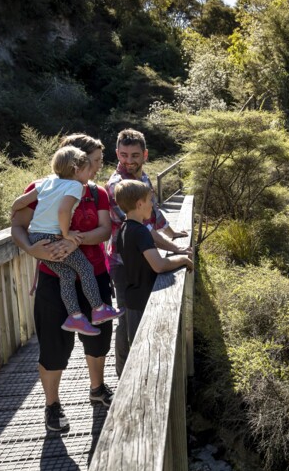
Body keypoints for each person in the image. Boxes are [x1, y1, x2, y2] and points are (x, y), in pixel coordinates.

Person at [10, 134, 116, 432]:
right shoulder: (42, 187)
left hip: (94, 275)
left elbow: (105, 230)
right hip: (52, 279)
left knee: (98, 338)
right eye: (94, 162)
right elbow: (17, 225)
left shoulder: (98, 193)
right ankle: (52, 405)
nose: (97, 168)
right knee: (54, 345)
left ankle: (97, 389)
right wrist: (32, 249)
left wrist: (75, 242)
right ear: (75, 163)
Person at [11, 146, 123, 336]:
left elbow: (22, 200)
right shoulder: (75, 185)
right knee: (85, 268)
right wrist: (67, 233)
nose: (92, 173)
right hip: (52, 237)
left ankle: (75, 317)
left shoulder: (48, 181)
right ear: (76, 170)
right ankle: (98, 309)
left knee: (67, 275)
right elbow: (64, 211)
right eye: (89, 168)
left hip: (36, 237)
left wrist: (13, 208)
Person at [106, 128, 191, 377]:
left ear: (145, 154)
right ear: (117, 154)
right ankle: (123, 375)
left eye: (134, 155)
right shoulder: (117, 186)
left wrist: (173, 233)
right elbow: (141, 228)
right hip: (124, 263)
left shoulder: (143, 180)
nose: (129, 161)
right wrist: (175, 249)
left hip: (145, 257)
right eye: (123, 155)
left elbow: (154, 214)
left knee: (145, 314)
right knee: (125, 320)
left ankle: (146, 369)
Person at [113, 180, 193, 354]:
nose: (152, 205)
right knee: (146, 350)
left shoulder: (124, 229)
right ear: (139, 204)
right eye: (150, 200)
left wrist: (176, 250)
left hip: (133, 298)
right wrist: (183, 260)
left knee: (138, 349)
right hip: (144, 301)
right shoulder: (140, 231)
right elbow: (159, 265)